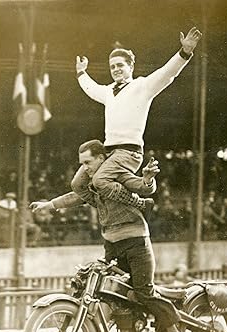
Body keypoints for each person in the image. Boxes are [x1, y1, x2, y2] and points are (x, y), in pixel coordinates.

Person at [30, 139, 186, 332]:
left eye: (88, 162)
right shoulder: (95, 185)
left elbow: (142, 186)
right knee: (114, 293)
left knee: (143, 292)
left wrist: (149, 178)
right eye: (81, 164)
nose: (85, 168)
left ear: (102, 158)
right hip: (111, 244)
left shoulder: (116, 176)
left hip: (135, 241)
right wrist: (50, 204)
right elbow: (76, 195)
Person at [73, 27, 202, 212]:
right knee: (77, 184)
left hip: (128, 152)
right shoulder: (109, 91)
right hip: (108, 152)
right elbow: (91, 89)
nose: (116, 69)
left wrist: (185, 52)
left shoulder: (142, 86)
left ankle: (140, 204)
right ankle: (105, 208)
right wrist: (81, 72)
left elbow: (167, 73)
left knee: (99, 180)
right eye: (112, 67)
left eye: (120, 65)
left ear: (131, 67)